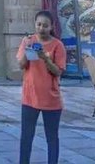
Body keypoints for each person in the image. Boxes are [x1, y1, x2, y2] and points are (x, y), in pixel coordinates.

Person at [17, 10, 66, 164]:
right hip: (30, 98)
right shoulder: (28, 41)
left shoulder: (58, 45)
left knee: (52, 137)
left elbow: (58, 71)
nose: (41, 28)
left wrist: (45, 58)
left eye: (45, 25)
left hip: (51, 99)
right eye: (38, 24)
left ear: (51, 27)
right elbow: (21, 65)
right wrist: (27, 49)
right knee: (26, 136)